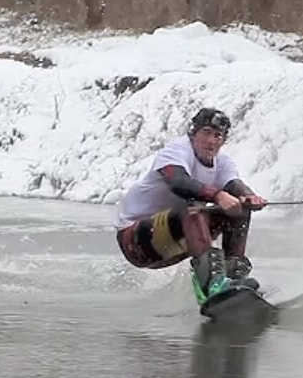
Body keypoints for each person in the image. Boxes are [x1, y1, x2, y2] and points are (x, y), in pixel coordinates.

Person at [113, 107, 268, 305]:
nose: (212, 141)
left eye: (218, 136)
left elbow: (234, 185)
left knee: (239, 209)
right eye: (206, 133)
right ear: (193, 133)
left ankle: (234, 280)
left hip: (177, 241)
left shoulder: (223, 163)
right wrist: (218, 195)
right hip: (136, 241)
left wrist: (249, 197)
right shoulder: (176, 151)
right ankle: (212, 284)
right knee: (194, 207)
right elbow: (178, 182)